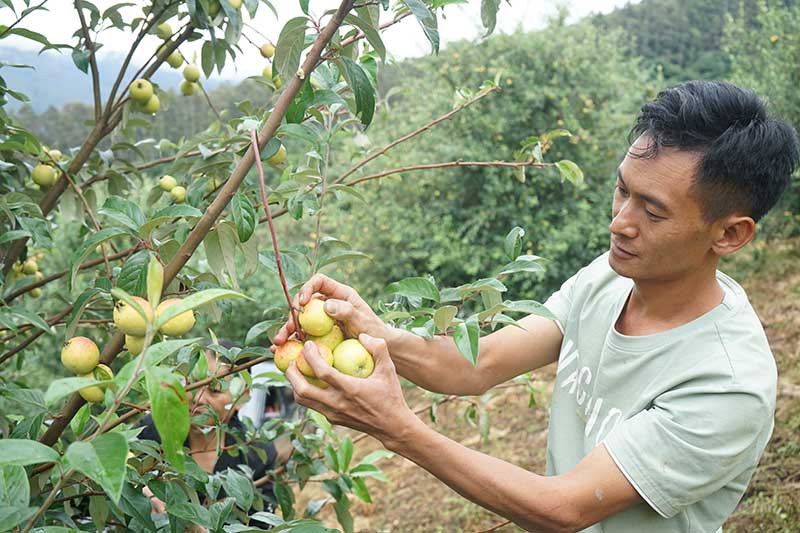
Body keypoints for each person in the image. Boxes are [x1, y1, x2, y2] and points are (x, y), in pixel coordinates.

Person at [272, 81, 800, 532]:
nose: (619, 222)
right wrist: (372, 330)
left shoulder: (728, 384)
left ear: (729, 234)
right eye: (622, 191)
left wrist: (395, 427)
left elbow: (563, 508)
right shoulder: (609, 276)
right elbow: (476, 365)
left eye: (653, 212)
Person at [138, 341, 278, 520]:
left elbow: (259, 525)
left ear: (242, 395)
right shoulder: (154, 430)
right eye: (194, 384)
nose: (200, 398)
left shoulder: (257, 455)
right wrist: (143, 491)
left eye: (215, 391)